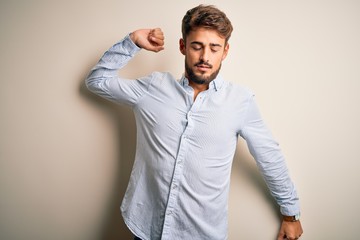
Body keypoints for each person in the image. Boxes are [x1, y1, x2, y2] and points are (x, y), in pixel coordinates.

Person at [86, 4, 303, 240]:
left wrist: (290, 214)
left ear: (225, 51)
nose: (205, 57)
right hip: (145, 228)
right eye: (197, 46)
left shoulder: (240, 101)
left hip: (202, 234)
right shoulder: (153, 88)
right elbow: (97, 80)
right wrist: (133, 41)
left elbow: (269, 156)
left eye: (214, 48)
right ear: (183, 46)